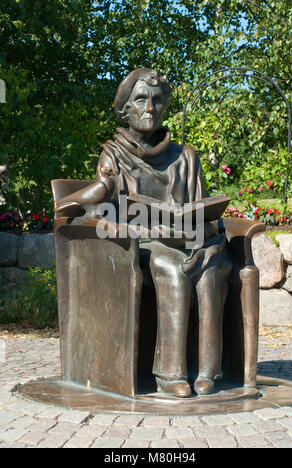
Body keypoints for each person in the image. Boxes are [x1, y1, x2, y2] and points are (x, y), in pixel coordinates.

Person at [56, 68, 232, 398]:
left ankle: (208, 372)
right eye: (140, 100)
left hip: (190, 240)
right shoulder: (114, 155)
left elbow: (201, 210)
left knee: (213, 270)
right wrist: (105, 193)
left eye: (157, 100)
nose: (149, 108)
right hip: (145, 246)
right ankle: (170, 375)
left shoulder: (186, 158)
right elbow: (100, 214)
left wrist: (203, 228)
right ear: (125, 109)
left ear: (165, 106)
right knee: (172, 268)